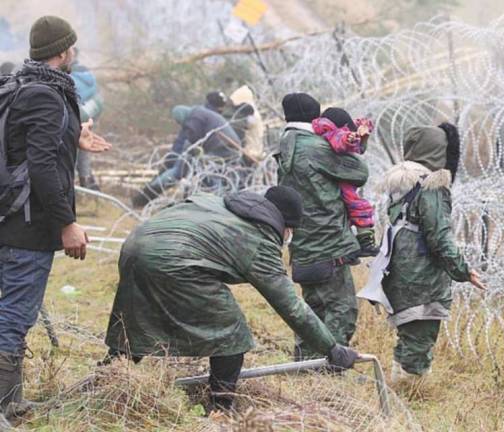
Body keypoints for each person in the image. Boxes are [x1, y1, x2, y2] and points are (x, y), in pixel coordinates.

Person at [104, 186, 359, 411]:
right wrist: (332, 348)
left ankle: (107, 376)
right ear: (286, 227)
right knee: (232, 332)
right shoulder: (259, 240)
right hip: (175, 260)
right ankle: (220, 406)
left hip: (135, 245)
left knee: (136, 315)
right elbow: (291, 307)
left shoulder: (218, 202)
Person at [0, 15, 110, 425]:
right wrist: (67, 222)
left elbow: (23, 146)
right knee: (14, 315)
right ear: (63, 51)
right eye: (73, 47)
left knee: (10, 310)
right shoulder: (47, 95)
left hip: (8, 218)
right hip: (28, 225)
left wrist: (73, 136)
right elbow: (42, 165)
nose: (74, 53)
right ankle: (4, 407)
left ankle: (9, 401)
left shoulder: (18, 86)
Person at [373, 122, 484, 383]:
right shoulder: (431, 186)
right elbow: (439, 236)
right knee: (419, 338)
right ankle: (410, 394)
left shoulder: (401, 183)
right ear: (437, 151)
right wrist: (463, 270)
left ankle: (396, 385)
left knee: (409, 334)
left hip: (398, 267)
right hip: (421, 275)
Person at [275, 93, 369, 361]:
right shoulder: (317, 147)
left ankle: (304, 367)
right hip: (330, 245)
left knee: (311, 310)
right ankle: (330, 370)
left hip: (302, 244)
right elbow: (359, 172)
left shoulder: (285, 145)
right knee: (342, 311)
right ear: (315, 117)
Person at [132, 102, 241, 207]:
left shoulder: (195, 117)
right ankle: (218, 201)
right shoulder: (199, 113)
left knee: (199, 173)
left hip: (223, 147)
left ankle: (146, 195)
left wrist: (183, 159)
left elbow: (194, 139)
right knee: (209, 173)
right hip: (230, 147)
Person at [312, 107, 378, 257]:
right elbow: (341, 141)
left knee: (350, 210)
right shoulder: (337, 134)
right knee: (358, 206)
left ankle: (356, 241)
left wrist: (364, 129)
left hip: (340, 176)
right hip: (342, 180)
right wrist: (351, 138)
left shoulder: (331, 129)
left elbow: (358, 130)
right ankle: (365, 242)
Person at [71, 48, 104, 190]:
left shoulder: (68, 76)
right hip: (90, 113)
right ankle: (88, 185)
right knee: (83, 150)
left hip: (76, 115)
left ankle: (72, 187)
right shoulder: (87, 74)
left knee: (72, 152)